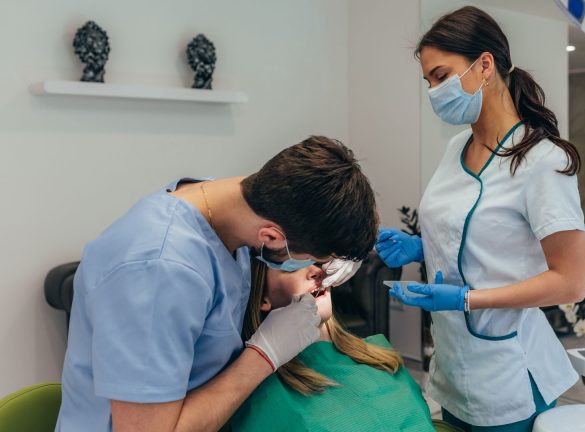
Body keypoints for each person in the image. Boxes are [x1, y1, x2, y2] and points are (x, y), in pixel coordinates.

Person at [56, 136, 378, 432]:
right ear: (270, 237)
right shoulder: (159, 270)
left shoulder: (227, 204)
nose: (315, 269)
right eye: (312, 259)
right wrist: (265, 355)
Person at [376, 6, 585, 431]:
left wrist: (467, 299)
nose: (434, 91)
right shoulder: (456, 147)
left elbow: (571, 281)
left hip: (510, 373)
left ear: (485, 65)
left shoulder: (542, 160)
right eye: (428, 82)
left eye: (441, 75)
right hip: (454, 368)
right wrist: (422, 246)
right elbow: (475, 234)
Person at [231, 259, 454, 432]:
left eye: (315, 260)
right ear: (262, 298)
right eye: (291, 267)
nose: (315, 271)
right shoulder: (263, 394)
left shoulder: (378, 355)